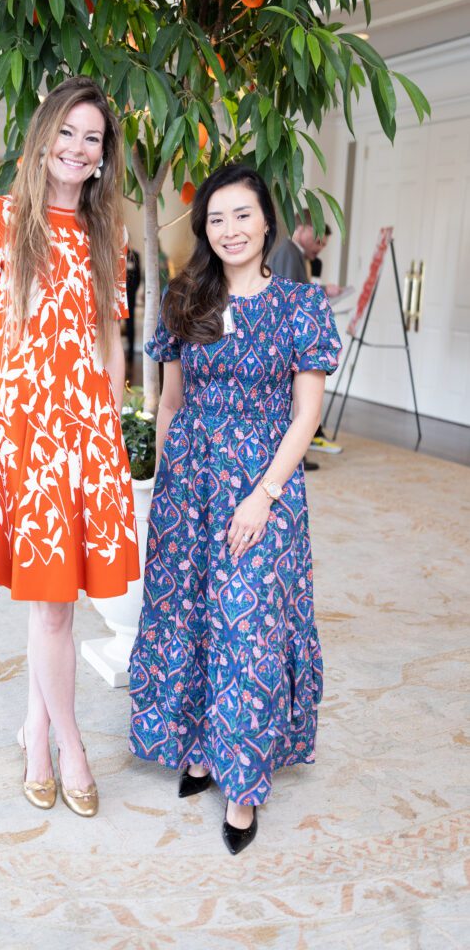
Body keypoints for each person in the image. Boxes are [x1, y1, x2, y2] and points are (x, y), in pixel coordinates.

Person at [129, 164, 342, 854]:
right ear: (203, 228)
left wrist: (262, 495)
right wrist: (167, 487)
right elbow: (168, 403)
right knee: (189, 615)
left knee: (247, 628)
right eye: (215, 218)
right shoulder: (185, 298)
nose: (229, 230)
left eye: (241, 215)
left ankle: (243, 787)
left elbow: (306, 413)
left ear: (266, 221)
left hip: (263, 483)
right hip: (189, 485)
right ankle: (196, 748)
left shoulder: (298, 306)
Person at [0, 77, 139, 818]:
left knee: (51, 600)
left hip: (85, 430)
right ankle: (65, 743)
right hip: (22, 430)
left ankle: (35, 726)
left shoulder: (108, 234)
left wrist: (112, 431)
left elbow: (111, 341)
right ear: (42, 138)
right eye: (66, 131)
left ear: (102, 156)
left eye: (91, 137)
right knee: (51, 604)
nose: (76, 147)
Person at [269, 211, 342, 459]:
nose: (320, 248)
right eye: (319, 240)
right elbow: (290, 293)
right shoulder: (289, 252)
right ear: (302, 230)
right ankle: (293, 455)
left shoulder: (293, 253)